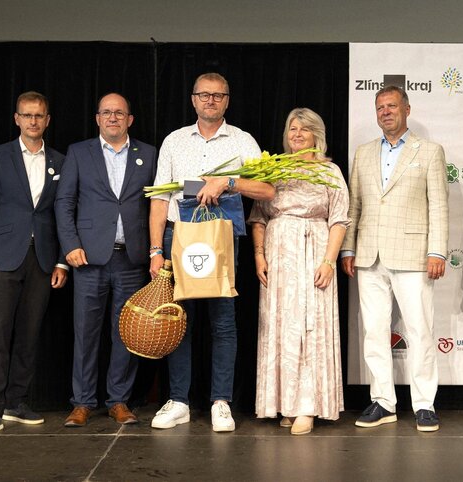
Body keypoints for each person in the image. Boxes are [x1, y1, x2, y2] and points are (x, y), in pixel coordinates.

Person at [148, 72, 274, 433]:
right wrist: (155, 249)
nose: (211, 101)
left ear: (227, 101)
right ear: (193, 99)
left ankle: (221, 402)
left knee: (223, 321)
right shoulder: (174, 141)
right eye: (204, 95)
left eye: (218, 95)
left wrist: (228, 182)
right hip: (179, 236)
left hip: (221, 239)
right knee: (179, 319)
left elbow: (267, 190)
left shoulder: (243, 141)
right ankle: (179, 401)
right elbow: (160, 199)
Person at [341, 85, 448, 433]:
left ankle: (424, 404)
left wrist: (437, 250)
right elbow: (355, 205)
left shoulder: (429, 151)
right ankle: (383, 401)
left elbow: (439, 206)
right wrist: (348, 248)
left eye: (392, 106)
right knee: (374, 332)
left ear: (407, 109)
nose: (385, 112)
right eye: (380, 107)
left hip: (413, 255)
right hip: (369, 255)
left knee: (420, 331)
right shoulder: (363, 153)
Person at [55, 93, 157, 427]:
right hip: (89, 259)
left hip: (132, 258)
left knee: (126, 333)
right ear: (97, 118)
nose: (113, 117)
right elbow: (64, 202)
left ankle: (118, 401)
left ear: (130, 120)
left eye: (119, 113)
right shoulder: (79, 152)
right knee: (85, 333)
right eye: (107, 112)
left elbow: (159, 202)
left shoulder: (149, 154)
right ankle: (82, 402)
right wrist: (70, 245)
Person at [0, 91, 68, 436]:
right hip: (2, 258)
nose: (33, 121)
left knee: (29, 333)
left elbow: (62, 214)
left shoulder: (60, 160)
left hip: (42, 259)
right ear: (17, 119)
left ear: (47, 120)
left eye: (39, 115)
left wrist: (62, 261)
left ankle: (16, 402)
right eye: (27, 115)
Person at [249, 108, 349, 435]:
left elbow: (339, 219)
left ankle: (308, 405)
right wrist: (259, 256)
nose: (297, 134)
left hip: (314, 251)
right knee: (281, 327)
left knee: (311, 326)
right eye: (292, 128)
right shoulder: (273, 170)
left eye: (304, 129)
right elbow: (258, 217)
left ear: (316, 135)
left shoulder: (329, 171)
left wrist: (329, 261)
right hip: (279, 256)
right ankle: (286, 403)